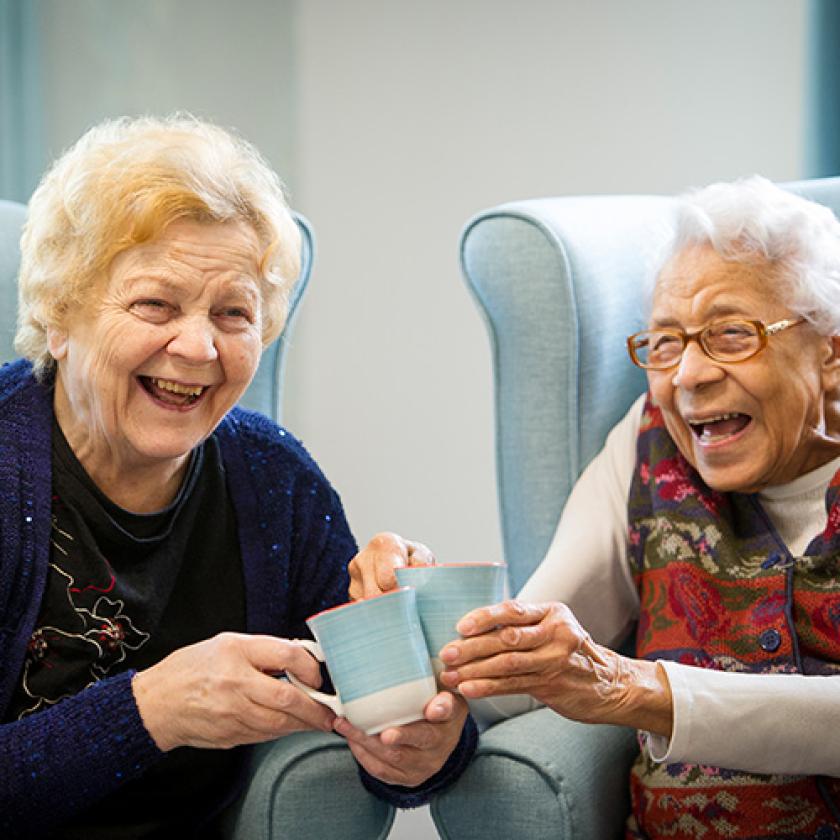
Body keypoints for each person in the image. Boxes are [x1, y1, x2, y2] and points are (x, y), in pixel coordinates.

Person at [0, 115, 475, 839]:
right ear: (58, 316)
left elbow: (396, 739)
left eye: (233, 313)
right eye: (154, 304)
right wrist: (149, 711)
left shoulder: (273, 477)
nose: (197, 347)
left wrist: (420, 728)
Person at [351, 176, 840, 837]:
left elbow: (608, 682)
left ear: (830, 352)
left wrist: (637, 690)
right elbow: (529, 661)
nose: (688, 376)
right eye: (665, 342)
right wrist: (406, 614)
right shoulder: (648, 442)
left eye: (730, 334)